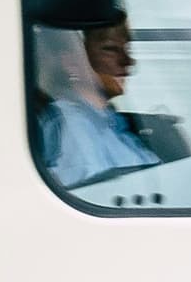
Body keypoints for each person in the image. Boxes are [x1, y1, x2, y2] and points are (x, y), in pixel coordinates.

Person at [33, 15, 159, 187]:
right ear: (71, 63)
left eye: (127, 49)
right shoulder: (69, 127)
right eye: (110, 49)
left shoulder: (112, 123)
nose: (128, 61)